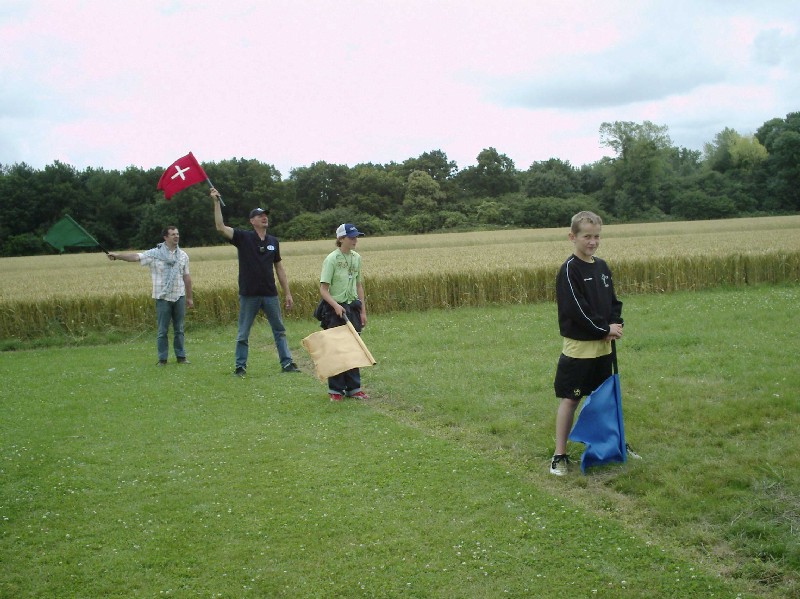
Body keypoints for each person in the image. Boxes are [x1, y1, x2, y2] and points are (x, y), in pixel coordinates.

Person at [550, 211, 623, 476]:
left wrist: (615, 325)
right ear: (573, 237)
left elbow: (613, 303)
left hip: (605, 347)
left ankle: (613, 445)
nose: (592, 242)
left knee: (605, 399)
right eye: (586, 236)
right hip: (579, 350)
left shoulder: (602, 267)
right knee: (571, 399)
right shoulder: (569, 270)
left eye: (596, 236)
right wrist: (603, 329)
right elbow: (575, 310)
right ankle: (559, 455)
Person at [210, 187, 300, 376]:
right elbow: (220, 227)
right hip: (249, 294)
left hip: (270, 294)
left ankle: (287, 364)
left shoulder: (273, 241)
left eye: (265, 215)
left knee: (279, 330)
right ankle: (240, 367)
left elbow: (279, 268)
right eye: (259, 216)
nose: (264, 217)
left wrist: (288, 293)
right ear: (252, 221)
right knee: (243, 333)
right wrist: (216, 202)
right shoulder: (243, 237)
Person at [108, 226, 193, 365]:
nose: (176, 237)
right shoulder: (154, 254)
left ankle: (181, 357)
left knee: (179, 329)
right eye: (173, 234)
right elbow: (136, 257)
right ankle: (162, 359)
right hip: (162, 297)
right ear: (165, 237)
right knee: (162, 331)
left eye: (177, 234)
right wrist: (118, 256)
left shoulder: (183, 256)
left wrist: (189, 297)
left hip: (179, 296)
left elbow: (187, 277)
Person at [316, 223, 368, 401]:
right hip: (334, 310)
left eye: (356, 237)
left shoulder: (357, 258)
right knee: (337, 350)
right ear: (341, 239)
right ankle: (335, 390)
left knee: (353, 349)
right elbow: (323, 289)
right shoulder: (331, 259)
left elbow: (359, 285)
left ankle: (354, 388)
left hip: (352, 308)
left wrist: (362, 311)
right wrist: (336, 306)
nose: (355, 240)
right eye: (351, 237)